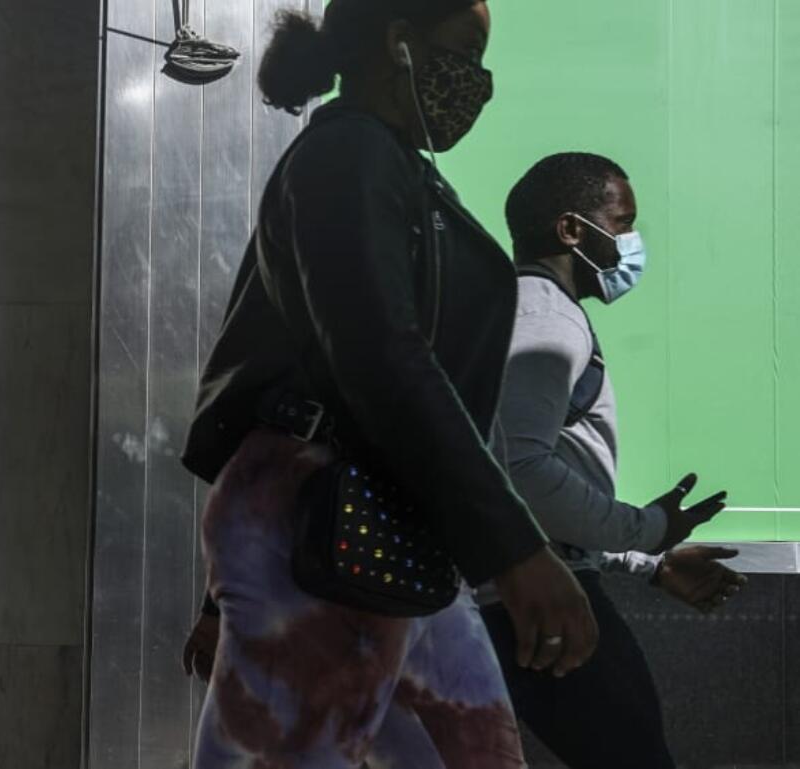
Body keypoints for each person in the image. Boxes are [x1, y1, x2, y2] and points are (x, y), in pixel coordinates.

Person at [178, 2, 600, 766]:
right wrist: (515, 546)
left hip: (374, 520)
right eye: (465, 51)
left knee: (475, 751)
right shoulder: (349, 157)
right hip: (335, 514)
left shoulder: (394, 170)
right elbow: (377, 357)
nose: (479, 82)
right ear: (398, 43)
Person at [476, 152, 749, 769]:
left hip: (526, 590)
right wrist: (647, 528)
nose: (631, 244)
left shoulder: (523, 310)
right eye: (622, 225)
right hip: (537, 600)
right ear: (572, 230)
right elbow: (520, 473)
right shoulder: (546, 317)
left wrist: (648, 562)